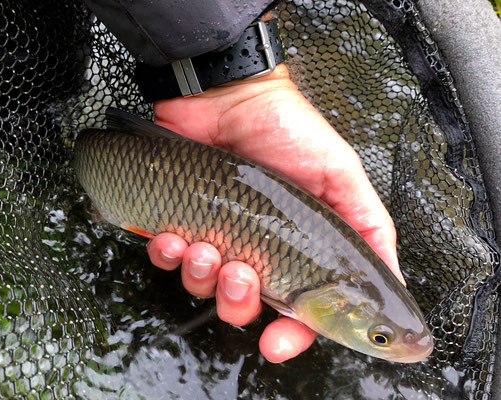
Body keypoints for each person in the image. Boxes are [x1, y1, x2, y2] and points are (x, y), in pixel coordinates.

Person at [85, 0, 403, 363]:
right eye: (380, 337)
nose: (380, 340)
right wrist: (242, 85)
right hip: (107, 163)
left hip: (116, 163)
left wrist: (241, 88)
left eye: (380, 337)